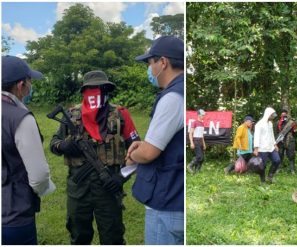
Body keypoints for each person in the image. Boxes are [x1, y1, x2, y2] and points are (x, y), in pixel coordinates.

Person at [50, 70, 140, 244]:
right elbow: (54, 143)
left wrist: (121, 177)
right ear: (84, 92)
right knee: (78, 237)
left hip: (108, 188)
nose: (96, 93)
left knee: (113, 237)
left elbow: (138, 151)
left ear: (107, 90)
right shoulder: (70, 116)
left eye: (100, 88)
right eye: (91, 89)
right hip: (78, 189)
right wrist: (63, 146)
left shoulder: (121, 115)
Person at [126, 35, 184, 245]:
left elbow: (149, 152)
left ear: (163, 62)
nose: (149, 69)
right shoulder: (181, 91)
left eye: (150, 63)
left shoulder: (172, 98)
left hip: (167, 201)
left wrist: (133, 154)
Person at [2, 55, 56, 245]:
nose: (31, 86)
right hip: (14, 216)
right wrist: (43, 189)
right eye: (30, 81)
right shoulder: (21, 118)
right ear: (20, 85)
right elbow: (40, 175)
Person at [253, 107, 281, 183]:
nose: (273, 117)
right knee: (262, 166)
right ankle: (263, 181)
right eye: (272, 115)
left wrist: (275, 144)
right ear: (267, 115)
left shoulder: (270, 124)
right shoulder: (259, 124)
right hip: (262, 148)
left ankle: (270, 175)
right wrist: (256, 148)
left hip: (271, 147)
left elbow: (272, 135)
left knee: (277, 160)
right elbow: (256, 136)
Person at [276, 109, 297, 173]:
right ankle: (278, 168)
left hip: (290, 139)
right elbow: (276, 132)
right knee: (280, 154)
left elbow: (295, 133)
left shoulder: (292, 122)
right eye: (282, 114)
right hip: (281, 140)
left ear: (287, 115)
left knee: (291, 155)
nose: (283, 115)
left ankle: (292, 169)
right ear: (280, 115)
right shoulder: (278, 122)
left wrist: (294, 128)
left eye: (285, 114)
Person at [188, 109, 206, 173]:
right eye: (202, 115)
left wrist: (204, 144)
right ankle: (190, 166)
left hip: (200, 141)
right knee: (199, 156)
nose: (204, 116)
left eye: (204, 115)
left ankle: (197, 170)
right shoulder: (194, 122)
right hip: (196, 140)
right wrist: (191, 143)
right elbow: (190, 133)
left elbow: (202, 135)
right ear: (198, 115)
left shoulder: (202, 123)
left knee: (202, 158)